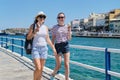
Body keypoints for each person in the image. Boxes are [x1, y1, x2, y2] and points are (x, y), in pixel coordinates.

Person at [27, 11, 57, 80]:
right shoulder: (33, 26)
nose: (42, 18)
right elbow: (28, 37)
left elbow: (47, 39)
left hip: (44, 49)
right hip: (35, 49)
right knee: (38, 67)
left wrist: (53, 48)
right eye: (40, 16)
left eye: (43, 17)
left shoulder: (45, 27)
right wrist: (34, 32)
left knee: (41, 69)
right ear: (37, 18)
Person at [51, 12, 72, 80]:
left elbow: (69, 39)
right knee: (58, 65)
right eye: (59, 17)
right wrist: (53, 48)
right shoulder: (54, 27)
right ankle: (53, 74)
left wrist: (69, 30)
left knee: (66, 64)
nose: (61, 18)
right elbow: (53, 38)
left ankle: (66, 79)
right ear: (57, 19)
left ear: (64, 18)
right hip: (58, 46)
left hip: (65, 45)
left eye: (62, 17)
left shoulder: (67, 27)